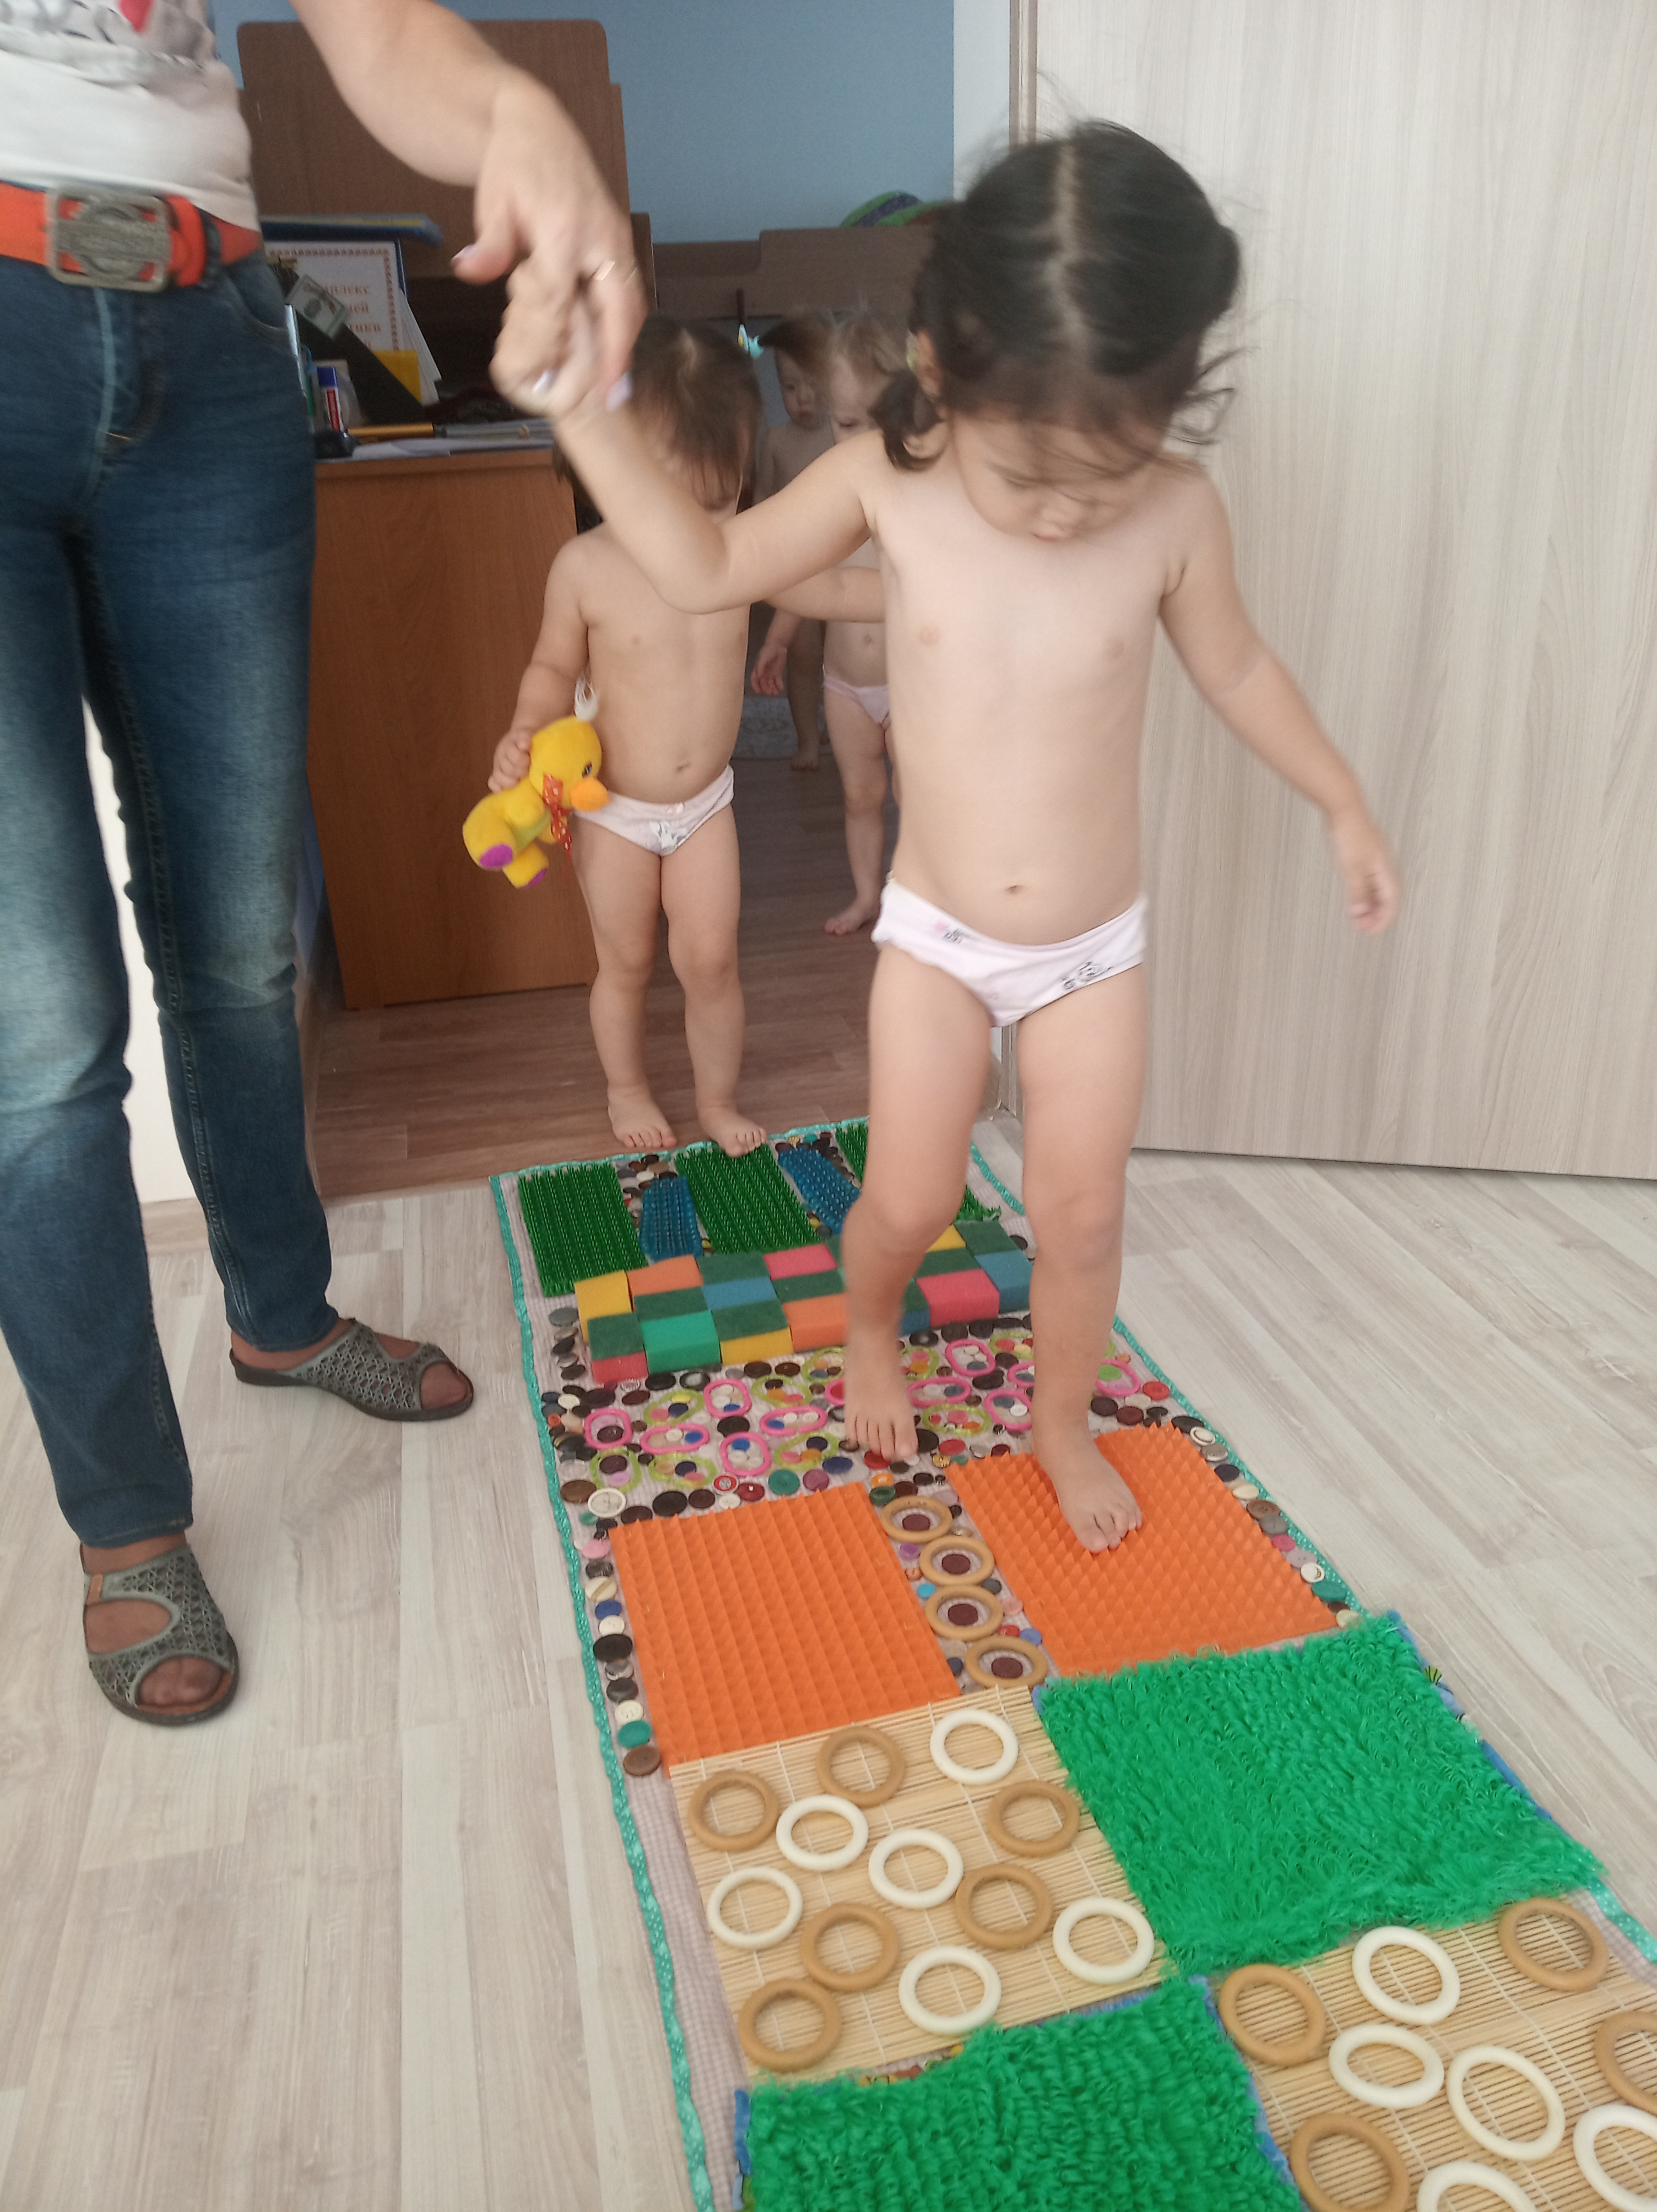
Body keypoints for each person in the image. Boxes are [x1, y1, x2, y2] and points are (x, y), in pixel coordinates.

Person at [512, 123, 1401, 1553]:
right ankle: (870, 1328)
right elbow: (709, 562)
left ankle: (1062, 1419)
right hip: (933, 939)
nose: (1063, 513)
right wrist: (580, 409)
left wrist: (1341, 798)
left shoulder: (1176, 513)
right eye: (1030, 472)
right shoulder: (884, 479)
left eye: (1102, 473)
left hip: (1092, 951)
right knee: (911, 1198)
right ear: (940, 369)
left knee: (1083, 1215)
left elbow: (1237, 668)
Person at [0, 0, 645, 1721]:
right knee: (37, 1033)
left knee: (241, 946)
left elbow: (377, 26)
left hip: (212, 337)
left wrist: (518, 114)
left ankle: (282, 1317)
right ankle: (129, 1522)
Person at [490, 319, 768, 1158]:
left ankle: (717, 1099)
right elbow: (550, 666)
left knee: (712, 960)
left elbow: (824, 576)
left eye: (723, 500)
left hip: (705, 805)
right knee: (627, 960)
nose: (704, 530)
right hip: (612, 808)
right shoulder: (585, 567)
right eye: (682, 507)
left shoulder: (744, 552)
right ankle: (627, 1087)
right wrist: (526, 727)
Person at [753, 312, 906, 932]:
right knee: (859, 795)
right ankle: (867, 896)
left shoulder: (911, 495)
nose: (863, 439)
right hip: (844, 684)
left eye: (878, 421)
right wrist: (778, 638)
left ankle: (916, 901)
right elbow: (815, 575)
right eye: (847, 424)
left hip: (907, 682)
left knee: (914, 798)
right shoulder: (833, 498)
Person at [752, 316, 832, 769]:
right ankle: (807, 740)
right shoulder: (777, 441)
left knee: (840, 658)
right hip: (797, 566)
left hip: (844, 564)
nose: (803, 398)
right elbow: (763, 497)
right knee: (802, 657)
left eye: (814, 386)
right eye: (790, 387)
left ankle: (839, 725)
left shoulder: (843, 433)